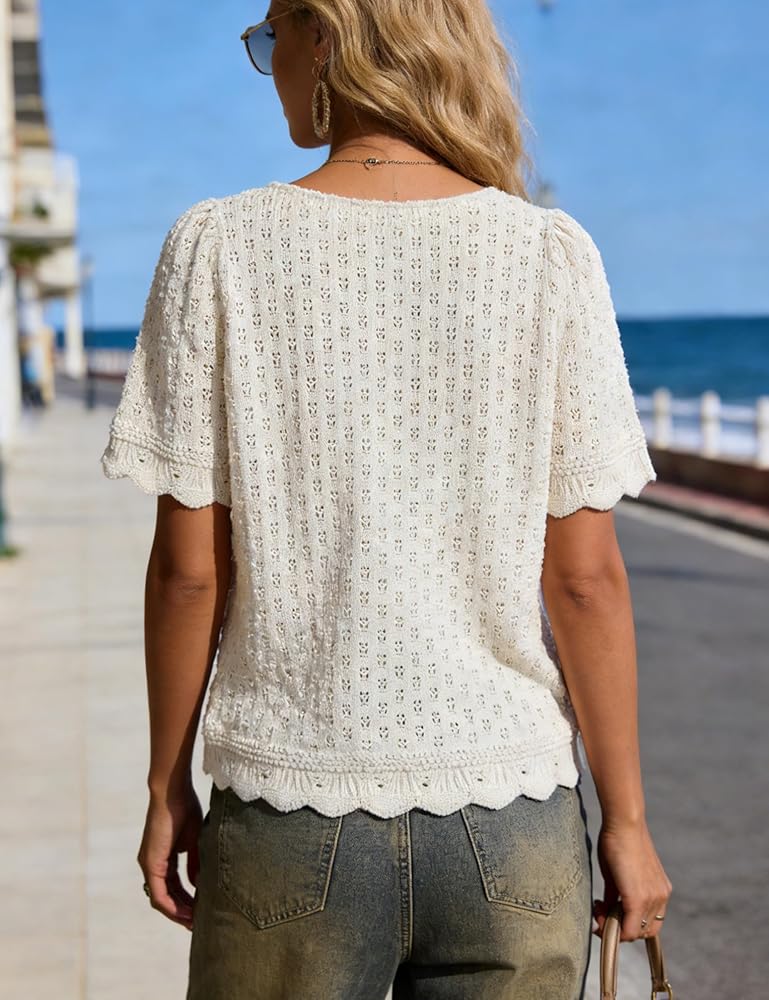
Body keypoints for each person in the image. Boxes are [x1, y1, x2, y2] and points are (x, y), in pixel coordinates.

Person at [99, 1, 673, 997]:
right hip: (512, 812)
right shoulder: (548, 255)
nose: (266, 64)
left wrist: (165, 784)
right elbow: (585, 582)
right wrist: (625, 821)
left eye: (269, 37)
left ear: (324, 36)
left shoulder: (218, 246)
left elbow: (191, 574)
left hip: (289, 803)